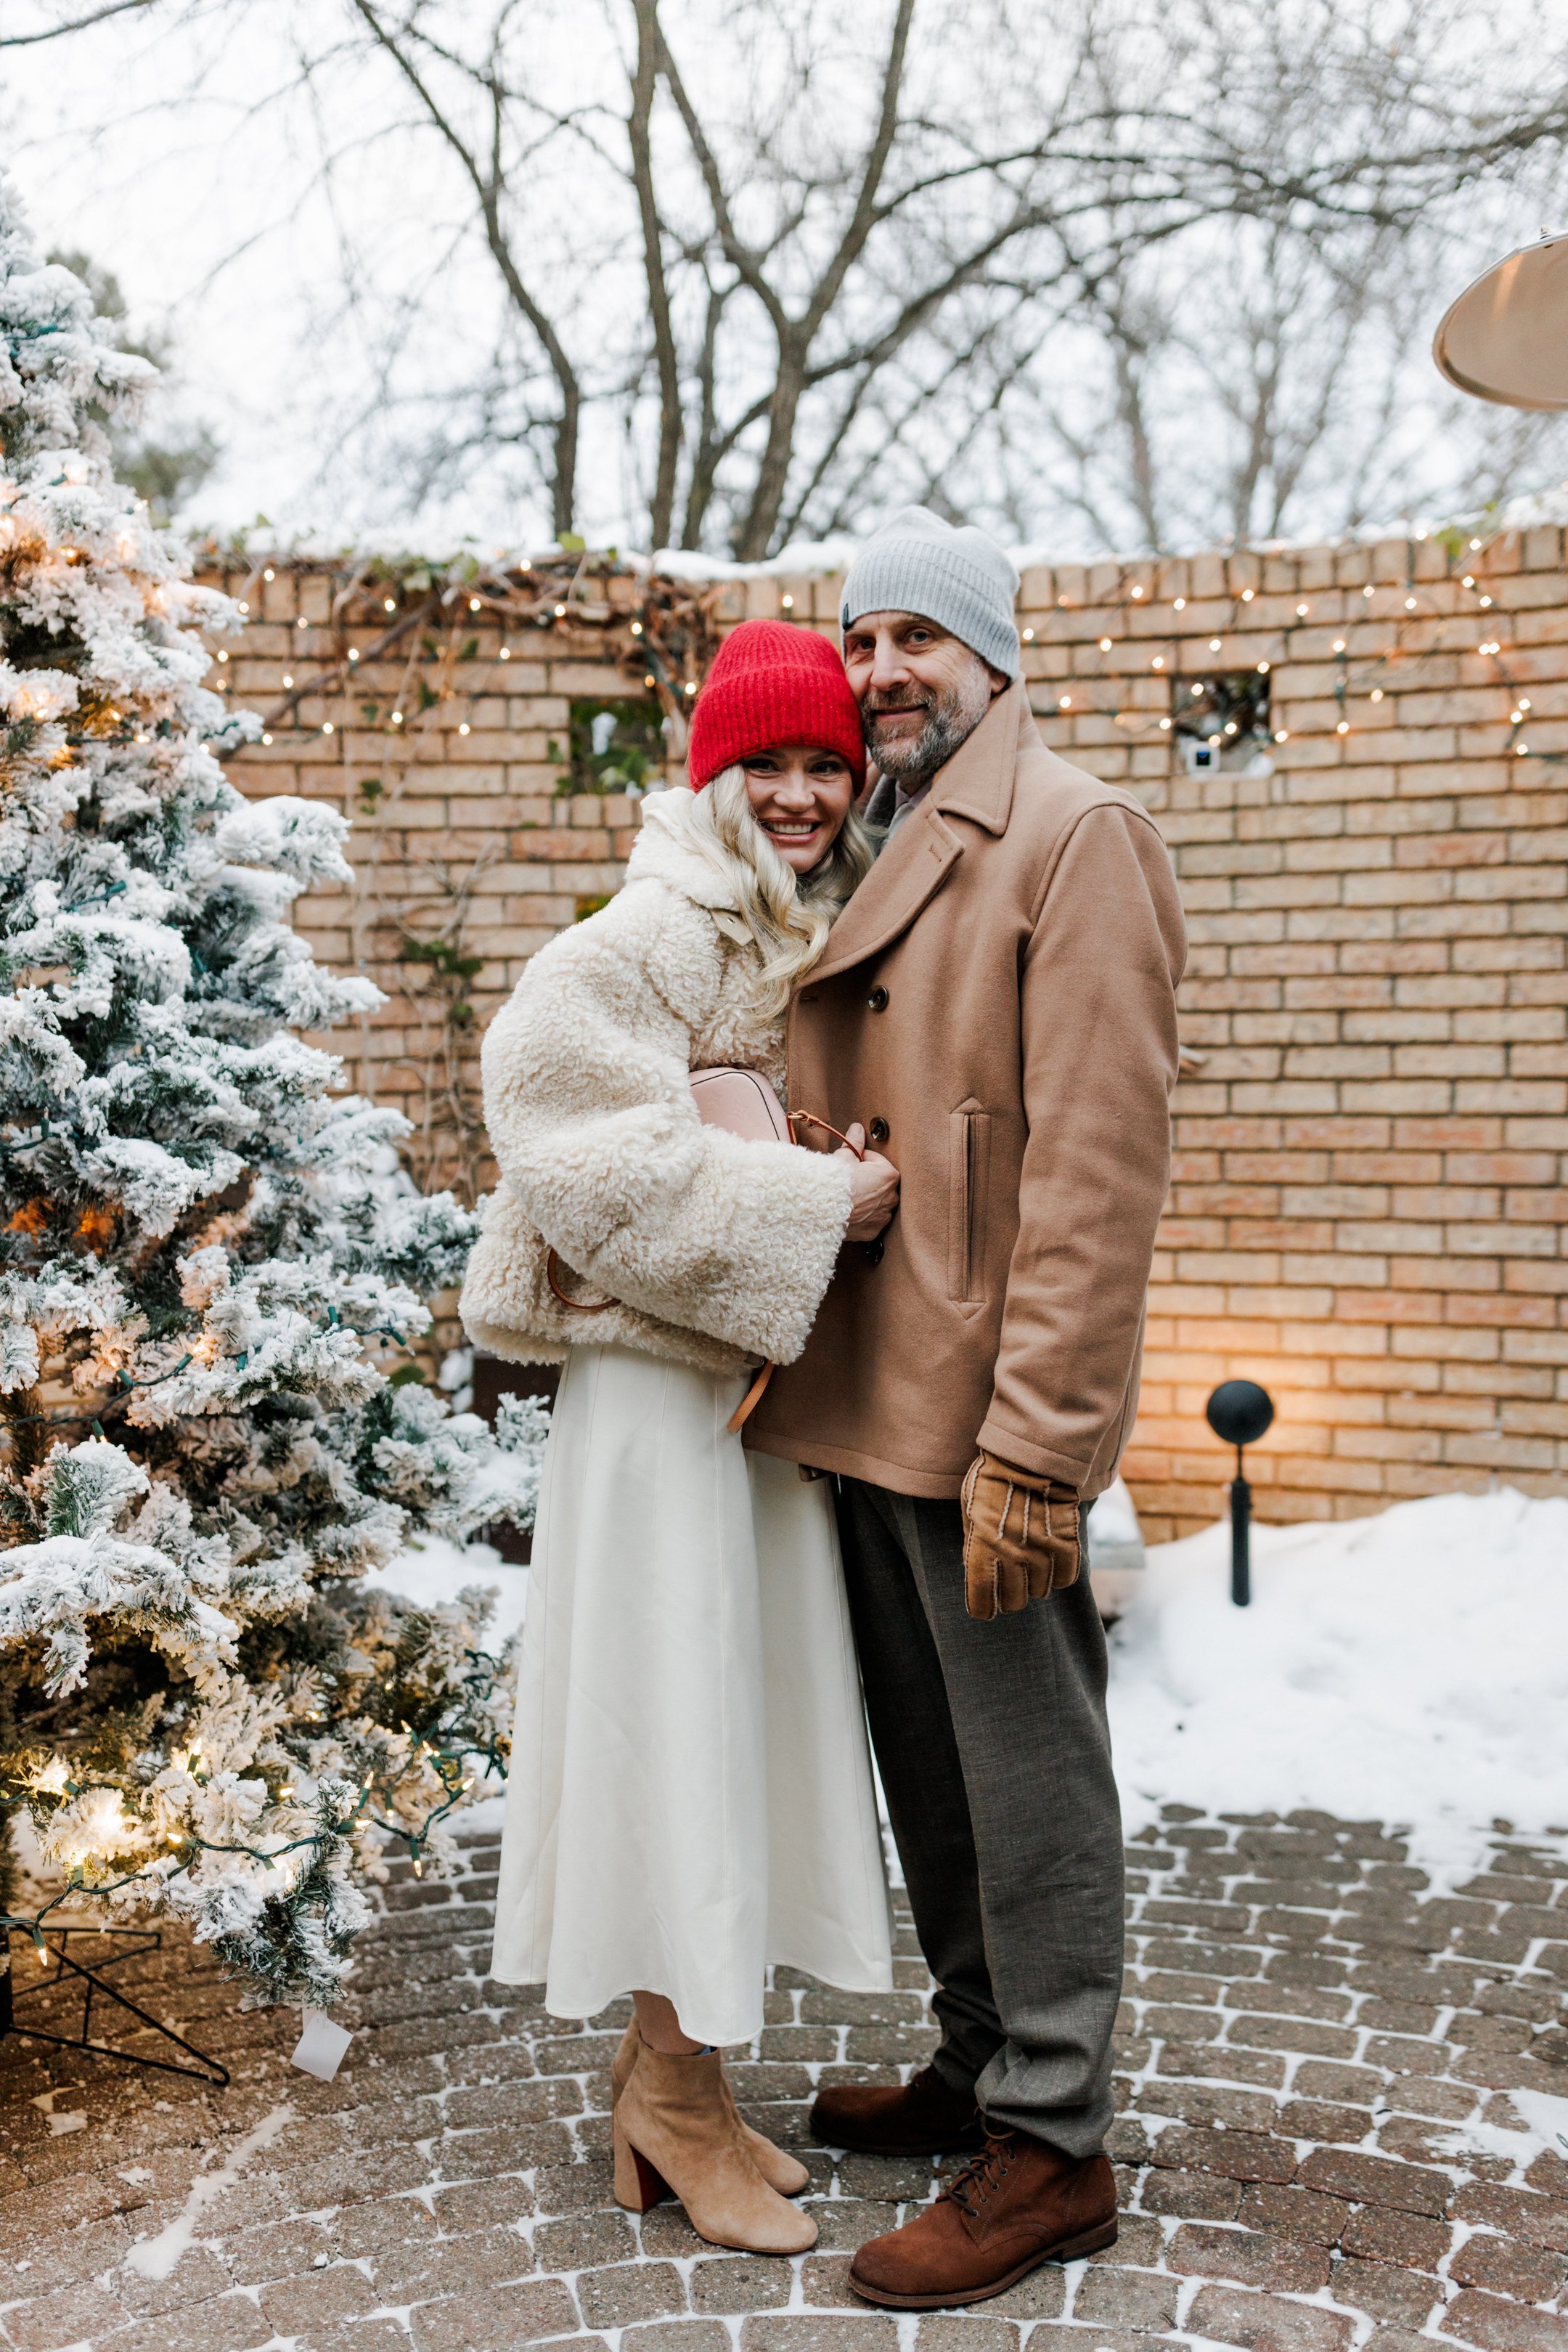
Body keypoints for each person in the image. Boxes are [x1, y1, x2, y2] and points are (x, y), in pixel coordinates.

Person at [746, 507, 1188, 2308]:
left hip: (988, 1404)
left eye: (917, 638)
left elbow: (1095, 1174)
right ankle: (978, 2057)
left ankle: (1054, 2142)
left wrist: (1046, 1444)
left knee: (1029, 1777)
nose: (880, 672)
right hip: (869, 1388)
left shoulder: (1077, 837)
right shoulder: (878, 838)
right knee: (930, 1767)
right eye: (861, 641)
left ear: (995, 656)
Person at [460, 620, 901, 2257]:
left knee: (726, 1725)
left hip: (750, 1402)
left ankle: (683, 2087)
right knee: (671, 1720)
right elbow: (567, 1137)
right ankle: (670, 2101)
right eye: (764, 764)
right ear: (712, 774)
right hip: (661, 1410)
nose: (798, 794)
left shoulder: (806, 918)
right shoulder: (650, 929)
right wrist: (817, 1202)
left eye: (824, 765)